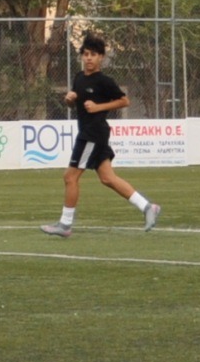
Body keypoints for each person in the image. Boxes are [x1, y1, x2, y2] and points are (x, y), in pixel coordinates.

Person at [40, 34, 161, 238]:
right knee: (107, 178)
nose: (89, 58)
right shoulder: (79, 78)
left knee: (70, 177)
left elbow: (124, 101)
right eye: (86, 54)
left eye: (94, 54)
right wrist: (69, 99)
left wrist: (98, 107)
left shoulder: (104, 81)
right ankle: (148, 207)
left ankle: (65, 224)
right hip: (92, 132)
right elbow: (74, 104)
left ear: (101, 57)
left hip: (92, 134)